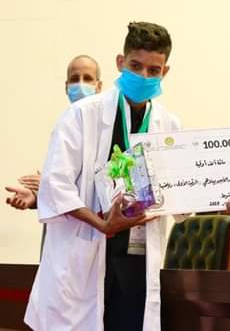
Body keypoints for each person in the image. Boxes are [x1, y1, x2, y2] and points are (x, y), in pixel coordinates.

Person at [25, 22, 181, 331]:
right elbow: (56, 186)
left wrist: (221, 195)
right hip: (86, 251)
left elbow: (180, 194)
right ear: (120, 63)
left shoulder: (169, 126)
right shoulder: (81, 115)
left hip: (137, 258)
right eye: (136, 66)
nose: (144, 76)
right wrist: (103, 225)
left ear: (165, 72)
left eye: (153, 70)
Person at [5, 55, 103, 211]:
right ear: (66, 86)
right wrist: (37, 197)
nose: (80, 84)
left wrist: (50, 185)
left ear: (99, 86)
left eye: (87, 78)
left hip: (98, 223)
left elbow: (105, 187)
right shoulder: (65, 125)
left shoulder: (108, 127)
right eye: (75, 79)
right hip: (67, 223)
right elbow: (62, 184)